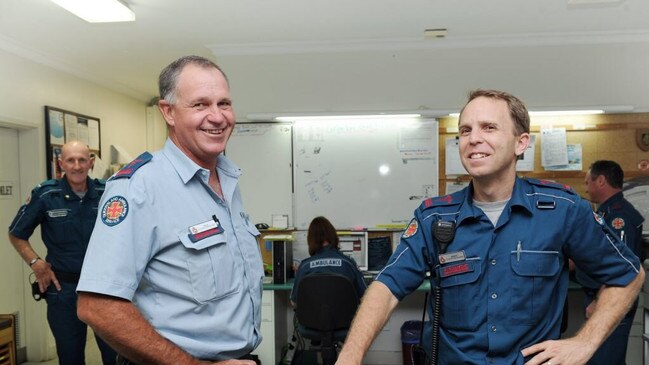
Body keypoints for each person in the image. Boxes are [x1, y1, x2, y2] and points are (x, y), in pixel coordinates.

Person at [336, 89, 645, 365]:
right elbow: (386, 288)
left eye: (489, 128)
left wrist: (584, 343)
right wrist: (350, 356)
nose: (473, 138)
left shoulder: (561, 210)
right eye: (465, 130)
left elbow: (628, 275)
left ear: (520, 143)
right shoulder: (434, 218)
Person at [76, 55, 263, 365]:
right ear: (168, 112)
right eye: (200, 105)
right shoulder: (139, 188)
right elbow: (97, 306)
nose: (217, 117)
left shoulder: (227, 178)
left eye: (224, 103)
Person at [7, 140, 117, 365]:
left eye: (82, 160)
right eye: (70, 160)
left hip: (104, 289)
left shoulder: (108, 192)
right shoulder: (46, 195)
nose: (77, 166)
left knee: (116, 356)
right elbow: (16, 233)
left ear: (91, 163)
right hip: (64, 290)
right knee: (70, 357)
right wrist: (36, 263)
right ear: (61, 164)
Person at [575, 160, 645, 364]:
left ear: (601, 181)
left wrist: (600, 303)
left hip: (610, 300)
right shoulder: (605, 212)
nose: (586, 188)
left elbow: (620, 269)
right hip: (601, 296)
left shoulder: (618, 217)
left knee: (605, 359)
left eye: (588, 182)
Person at [290, 216, 367, 306]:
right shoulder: (349, 263)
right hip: (345, 319)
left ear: (311, 240)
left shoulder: (304, 266)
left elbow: (293, 302)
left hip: (312, 319)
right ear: (333, 236)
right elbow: (365, 297)